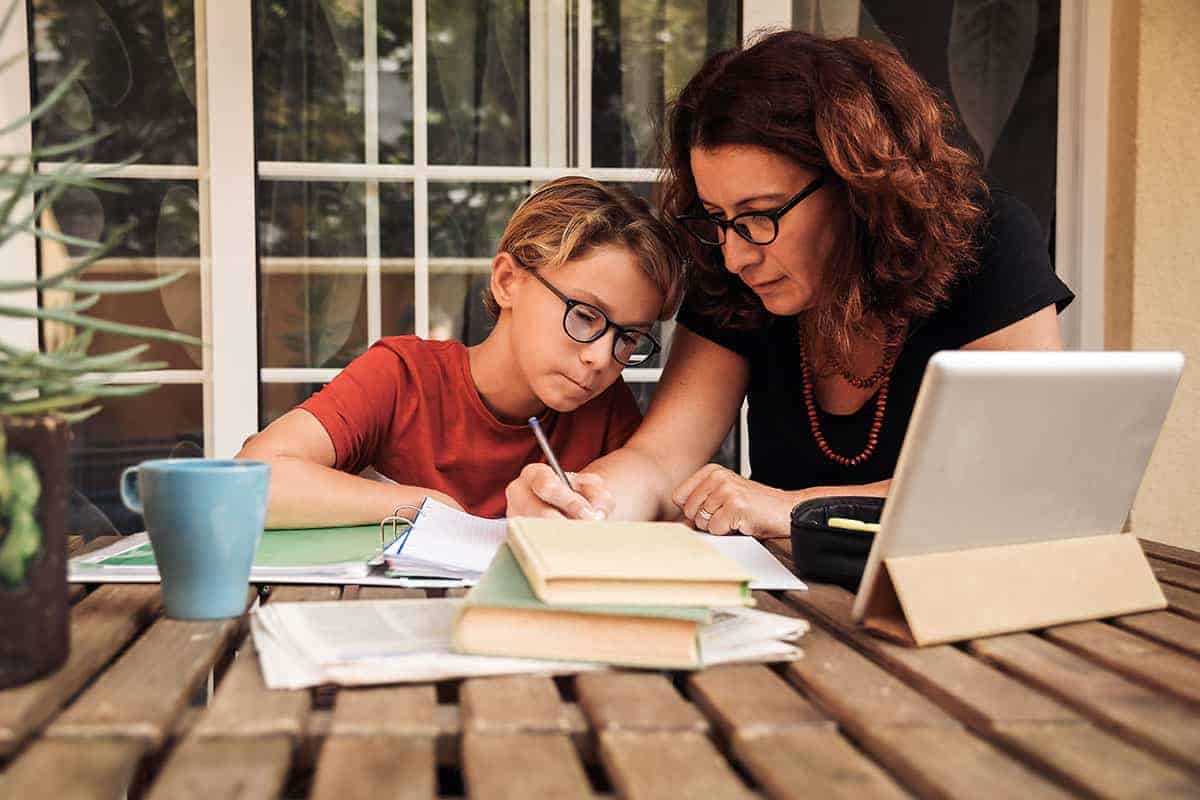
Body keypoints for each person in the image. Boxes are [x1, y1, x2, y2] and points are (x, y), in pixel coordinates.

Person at [505, 30, 1074, 538]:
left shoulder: (988, 242)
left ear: (856, 185)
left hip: (965, 604)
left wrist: (793, 507)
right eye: (718, 218)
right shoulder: (734, 276)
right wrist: (589, 501)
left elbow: (1012, 480)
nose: (734, 255)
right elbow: (658, 461)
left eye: (759, 215)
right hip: (797, 614)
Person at [237, 177, 686, 528]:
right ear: (508, 281)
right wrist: (423, 503)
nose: (602, 358)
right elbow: (250, 480)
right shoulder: (402, 377)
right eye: (586, 316)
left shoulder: (606, 411)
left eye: (628, 338)